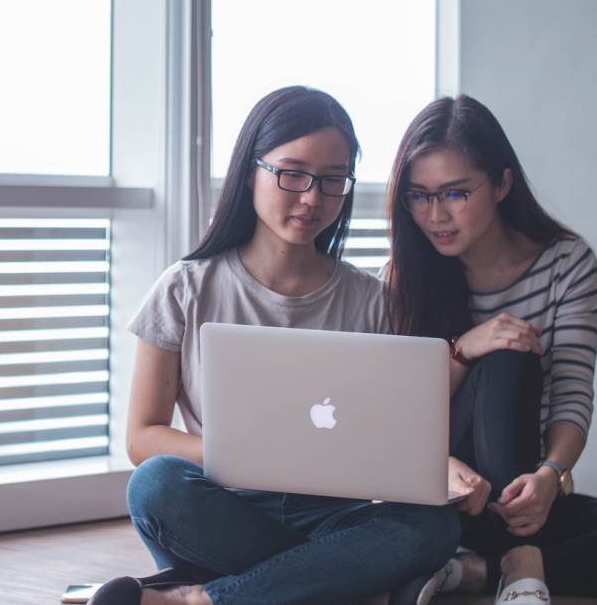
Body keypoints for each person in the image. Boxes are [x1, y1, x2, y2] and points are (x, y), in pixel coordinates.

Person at [88, 86, 461, 605]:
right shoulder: (185, 289)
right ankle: (346, 583)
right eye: (292, 174)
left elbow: (390, 438)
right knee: (155, 485)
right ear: (249, 172)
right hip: (228, 506)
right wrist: (247, 458)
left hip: (335, 510)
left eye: (333, 180)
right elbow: (143, 438)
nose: (312, 197)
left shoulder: (374, 300)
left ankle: (205, 599)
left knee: (433, 524)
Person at [384, 95, 597, 605]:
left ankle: (479, 571)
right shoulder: (406, 275)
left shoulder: (567, 263)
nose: (435, 215)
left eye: (455, 193)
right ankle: (519, 560)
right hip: (447, 491)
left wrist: (550, 476)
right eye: (419, 195)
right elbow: (399, 416)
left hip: (522, 492)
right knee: (509, 352)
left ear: (502, 183)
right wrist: (464, 350)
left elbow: (571, 390)